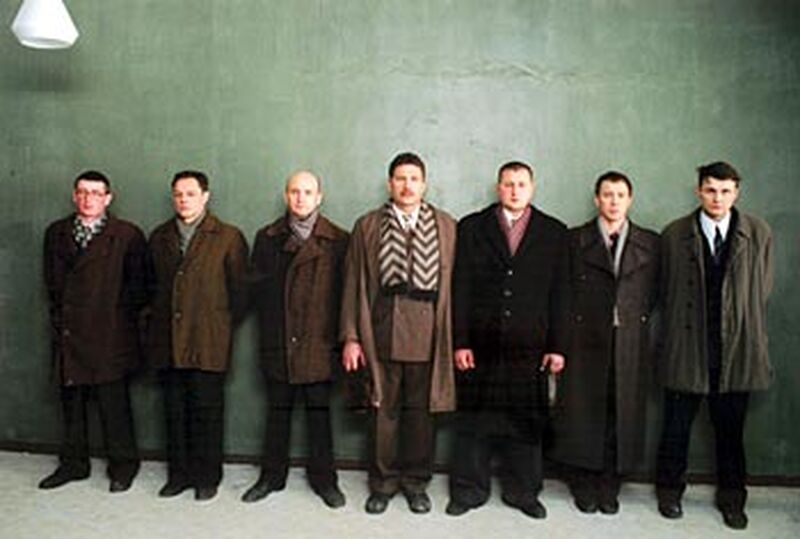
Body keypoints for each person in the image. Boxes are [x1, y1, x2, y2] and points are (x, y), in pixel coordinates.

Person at [446, 160, 569, 519]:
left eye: (521, 184)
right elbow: (460, 288)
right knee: (474, 422)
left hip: (530, 347)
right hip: (480, 345)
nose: (515, 190)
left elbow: (561, 294)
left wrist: (557, 346)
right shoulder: (472, 227)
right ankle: (468, 490)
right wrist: (460, 341)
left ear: (532, 188)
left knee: (526, 423)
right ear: (498, 187)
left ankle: (524, 492)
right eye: (508, 184)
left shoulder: (553, 231)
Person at [655, 161, 773, 530]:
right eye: (710, 190)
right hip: (687, 345)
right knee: (675, 427)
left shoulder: (758, 233)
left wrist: (738, 323)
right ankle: (669, 493)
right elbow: (665, 290)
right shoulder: (674, 234)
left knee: (731, 431)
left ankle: (732, 500)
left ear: (736, 192)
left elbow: (762, 288)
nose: (717, 198)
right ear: (699, 191)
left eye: (725, 191)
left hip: (735, 348)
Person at [340, 152, 456, 514]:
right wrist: (351, 337)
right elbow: (353, 283)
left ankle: (416, 483)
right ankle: (383, 483)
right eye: (400, 179)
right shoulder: (368, 225)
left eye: (414, 179)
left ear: (424, 184)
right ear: (390, 183)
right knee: (383, 412)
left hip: (428, 333)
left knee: (420, 415)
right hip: (382, 331)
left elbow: (456, 288)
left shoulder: (446, 226)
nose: (407, 186)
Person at [549, 171, 660, 514]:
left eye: (620, 195)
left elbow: (654, 294)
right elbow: (562, 292)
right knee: (583, 410)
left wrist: (631, 320)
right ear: (597, 199)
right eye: (607, 195)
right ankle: (583, 481)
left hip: (628, 341)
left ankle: (610, 482)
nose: (614, 202)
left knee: (620, 410)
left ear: (630, 200)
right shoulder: (574, 239)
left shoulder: (649, 242)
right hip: (584, 339)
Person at [242, 171, 349, 508]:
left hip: (320, 343)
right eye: (294, 191)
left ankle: (325, 481)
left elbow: (346, 297)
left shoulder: (339, 240)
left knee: (320, 418)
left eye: (307, 192)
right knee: (277, 415)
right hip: (279, 342)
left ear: (319, 197)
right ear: (286, 196)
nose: (301, 198)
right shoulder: (267, 238)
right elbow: (255, 291)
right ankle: (270, 477)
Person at [40, 170, 147, 492]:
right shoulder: (56, 233)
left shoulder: (127, 235)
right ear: (74, 196)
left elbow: (139, 289)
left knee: (114, 407)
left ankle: (123, 467)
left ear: (108, 198)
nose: (89, 199)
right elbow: (52, 283)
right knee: (72, 406)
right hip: (70, 333)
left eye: (96, 193)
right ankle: (73, 465)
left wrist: (117, 323)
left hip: (110, 334)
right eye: (83, 192)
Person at [148, 170, 249, 501]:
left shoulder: (228, 237)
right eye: (178, 194)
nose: (183, 200)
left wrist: (217, 324)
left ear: (205, 197)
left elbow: (241, 295)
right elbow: (149, 290)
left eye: (190, 194)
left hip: (209, 340)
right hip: (168, 340)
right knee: (174, 410)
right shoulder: (159, 236)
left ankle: (207, 478)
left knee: (207, 411)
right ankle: (178, 476)